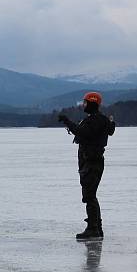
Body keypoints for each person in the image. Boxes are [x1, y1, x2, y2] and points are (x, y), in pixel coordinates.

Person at [58, 92, 116, 240]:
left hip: (92, 163)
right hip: (90, 162)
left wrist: (67, 121)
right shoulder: (96, 119)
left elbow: (83, 132)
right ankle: (97, 228)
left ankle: (93, 229)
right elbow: (110, 129)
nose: (83, 105)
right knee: (91, 196)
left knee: (89, 196)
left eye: (85, 103)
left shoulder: (96, 120)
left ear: (92, 103)